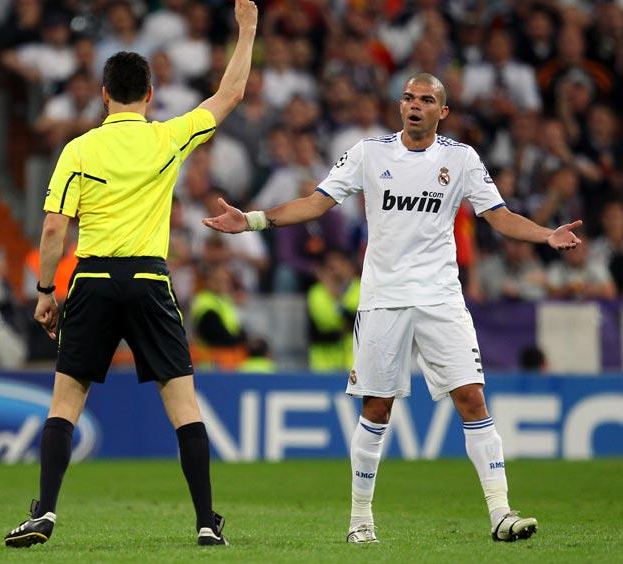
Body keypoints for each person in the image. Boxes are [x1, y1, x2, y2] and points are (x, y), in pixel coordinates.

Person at [203, 73, 582, 544]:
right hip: (383, 299)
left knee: (472, 398)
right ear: (399, 105)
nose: (414, 105)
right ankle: (360, 521)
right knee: (377, 407)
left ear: (443, 112)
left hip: (442, 298)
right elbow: (317, 203)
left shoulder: (461, 159)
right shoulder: (369, 153)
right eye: (407, 98)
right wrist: (253, 220)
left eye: (426, 99)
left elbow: (499, 216)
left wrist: (547, 235)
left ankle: (501, 513)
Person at [4, 0, 258, 549]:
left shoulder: (78, 149)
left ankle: (45, 511)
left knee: (66, 401)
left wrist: (47, 290)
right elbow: (231, 93)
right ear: (149, 94)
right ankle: (204, 521)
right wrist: (246, 28)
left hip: (91, 279)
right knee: (183, 403)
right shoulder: (168, 137)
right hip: (148, 278)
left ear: (103, 96)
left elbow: (52, 230)